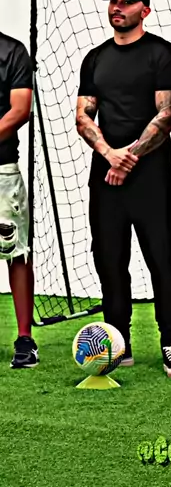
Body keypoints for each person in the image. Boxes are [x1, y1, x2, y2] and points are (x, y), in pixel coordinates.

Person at [76, 0, 171, 378]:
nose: (117, 7)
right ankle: (117, 341)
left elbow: (167, 114)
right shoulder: (95, 58)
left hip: (150, 178)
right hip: (105, 177)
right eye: (113, 1)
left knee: (162, 259)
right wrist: (111, 155)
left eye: (126, 1)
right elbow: (83, 115)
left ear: (145, 9)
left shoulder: (162, 53)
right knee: (109, 260)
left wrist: (130, 158)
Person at [0, 31, 38, 368]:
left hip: (1, 171)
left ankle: (25, 340)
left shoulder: (11, 51)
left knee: (16, 252)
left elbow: (20, 110)